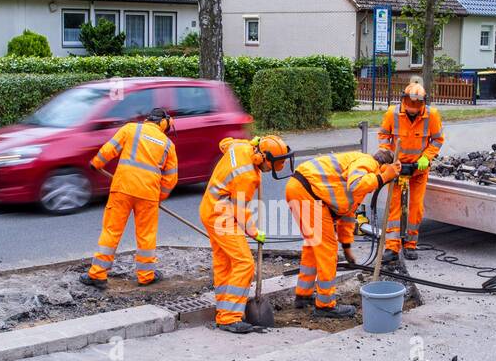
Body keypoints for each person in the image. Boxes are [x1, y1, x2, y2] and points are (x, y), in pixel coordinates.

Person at [285, 149, 398, 318]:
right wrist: (383, 177)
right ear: (383, 166)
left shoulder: (361, 172)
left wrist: (347, 249)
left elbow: (347, 215)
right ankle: (325, 305)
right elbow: (356, 184)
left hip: (302, 191)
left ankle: (303, 295)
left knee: (313, 247)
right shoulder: (368, 162)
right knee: (327, 252)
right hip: (308, 193)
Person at [200, 134, 293, 334]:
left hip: (210, 208)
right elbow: (240, 209)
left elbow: (224, 143)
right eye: (271, 165)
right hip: (221, 216)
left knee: (225, 262)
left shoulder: (240, 146)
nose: (269, 170)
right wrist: (254, 232)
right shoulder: (247, 177)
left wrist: (249, 142)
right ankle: (230, 318)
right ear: (261, 158)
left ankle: (225, 311)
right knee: (244, 263)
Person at [80, 107, 178, 288]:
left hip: (122, 188)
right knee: (146, 235)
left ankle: (98, 275)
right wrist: (159, 197)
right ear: (163, 123)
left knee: (111, 231)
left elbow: (110, 149)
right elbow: (171, 178)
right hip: (148, 194)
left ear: (149, 119)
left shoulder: (131, 129)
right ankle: (146, 275)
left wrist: (96, 163)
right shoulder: (167, 145)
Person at [378, 80, 444, 261]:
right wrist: (390, 155)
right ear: (404, 100)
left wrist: (426, 157)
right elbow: (384, 135)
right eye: (410, 104)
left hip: (418, 170)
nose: (413, 108)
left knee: (415, 208)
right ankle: (392, 247)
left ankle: (410, 245)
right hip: (397, 168)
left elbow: (437, 140)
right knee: (394, 207)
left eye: (417, 104)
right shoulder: (393, 113)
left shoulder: (432, 116)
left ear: (423, 103)